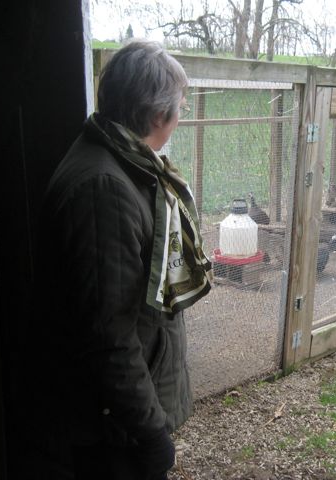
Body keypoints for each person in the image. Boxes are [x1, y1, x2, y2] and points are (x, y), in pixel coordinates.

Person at [29, 40, 212, 480]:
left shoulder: (120, 162)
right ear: (156, 116)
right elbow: (107, 336)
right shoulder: (104, 189)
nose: (181, 116)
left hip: (116, 422)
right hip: (111, 430)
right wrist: (151, 433)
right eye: (180, 107)